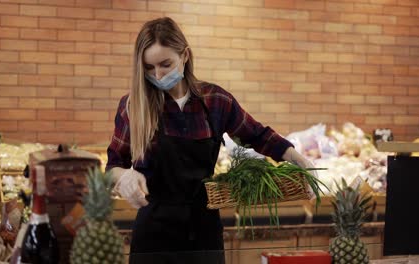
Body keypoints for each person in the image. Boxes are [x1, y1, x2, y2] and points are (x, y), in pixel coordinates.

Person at [106, 17, 316, 264]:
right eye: (149, 68)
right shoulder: (133, 107)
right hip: (154, 234)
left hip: (203, 230)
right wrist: (125, 177)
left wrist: (300, 159)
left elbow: (258, 135)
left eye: (165, 64)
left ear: (184, 56)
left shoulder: (215, 100)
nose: (159, 75)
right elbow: (112, 167)